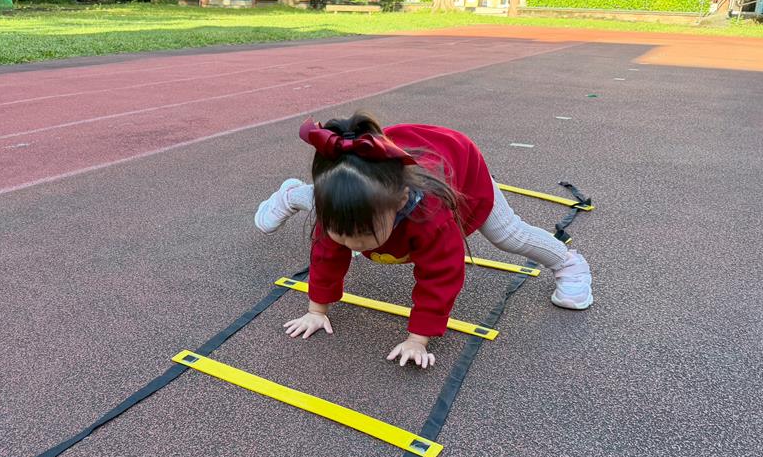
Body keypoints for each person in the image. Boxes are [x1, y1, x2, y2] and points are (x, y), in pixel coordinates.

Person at [254, 112, 592, 368]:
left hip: (461, 166)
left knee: (508, 235)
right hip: (371, 178)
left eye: (363, 237)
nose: (353, 246)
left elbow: (440, 277)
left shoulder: (432, 216)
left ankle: (568, 263)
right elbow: (326, 255)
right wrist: (317, 310)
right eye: (344, 237)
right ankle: (293, 193)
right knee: (332, 207)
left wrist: (418, 340)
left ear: (400, 203)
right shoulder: (339, 215)